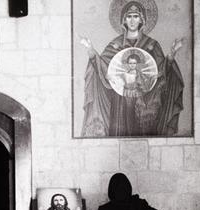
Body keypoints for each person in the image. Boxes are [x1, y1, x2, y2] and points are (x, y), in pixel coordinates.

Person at [79, 1, 185, 137]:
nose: (132, 20)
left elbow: (160, 72)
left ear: (142, 19)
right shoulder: (115, 45)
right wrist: (91, 50)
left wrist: (171, 54)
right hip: (120, 100)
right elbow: (104, 69)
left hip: (144, 102)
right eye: (129, 16)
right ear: (124, 20)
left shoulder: (152, 45)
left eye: (136, 16)